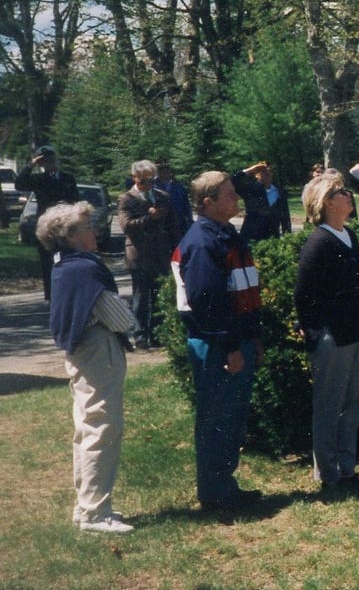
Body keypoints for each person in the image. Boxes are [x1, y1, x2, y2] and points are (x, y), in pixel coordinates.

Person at [41, 202, 138, 534]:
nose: (94, 233)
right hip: (98, 349)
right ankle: (96, 512)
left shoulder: (63, 265)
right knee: (101, 426)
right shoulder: (84, 268)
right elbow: (119, 316)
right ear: (69, 236)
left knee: (86, 426)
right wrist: (131, 323)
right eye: (86, 228)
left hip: (82, 351)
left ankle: (87, 505)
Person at [172, 171, 265, 510]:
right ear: (208, 202)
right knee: (217, 419)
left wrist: (253, 337)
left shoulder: (227, 235)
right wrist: (229, 347)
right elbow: (207, 302)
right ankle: (214, 491)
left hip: (238, 341)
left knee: (233, 417)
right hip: (216, 346)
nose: (236, 199)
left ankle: (225, 483)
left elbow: (243, 290)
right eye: (228, 195)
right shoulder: (202, 242)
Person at [294, 172, 359, 486]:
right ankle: (326, 471)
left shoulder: (349, 235)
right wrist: (315, 333)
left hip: (357, 332)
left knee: (353, 404)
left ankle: (346, 465)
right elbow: (304, 294)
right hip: (333, 337)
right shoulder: (319, 242)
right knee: (330, 405)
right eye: (341, 193)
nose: (348, 196)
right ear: (327, 202)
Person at [118, 160, 181, 348]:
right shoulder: (126, 199)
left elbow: (173, 226)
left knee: (159, 295)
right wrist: (148, 218)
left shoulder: (163, 196)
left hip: (161, 253)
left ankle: (158, 335)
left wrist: (177, 248)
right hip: (139, 254)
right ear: (134, 179)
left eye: (151, 180)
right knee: (141, 297)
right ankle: (139, 336)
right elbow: (126, 225)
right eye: (143, 181)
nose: (147, 185)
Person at [17, 144, 79, 301]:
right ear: (41, 164)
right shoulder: (38, 180)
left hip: (66, 225)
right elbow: (20, 184)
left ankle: (68, 293)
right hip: (46, 227)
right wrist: (31, 164)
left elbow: (76, 201)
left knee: (68, 259)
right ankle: (52, 296)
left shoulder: (68, 179)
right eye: (46, 161)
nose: (50, 163)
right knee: (47, 262)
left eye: (52, 159)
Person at [232, 162, 292, 242]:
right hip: (252, 236)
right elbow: (233, 181)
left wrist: (287, 237)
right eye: (263, 171)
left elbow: (285, 216)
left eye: (269, 171)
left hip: (272, 237)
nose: (267, 174)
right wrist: (249, 170)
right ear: (256, 175)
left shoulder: (279, 191)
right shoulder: (250, 189)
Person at [156, 160, 194, 235]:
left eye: (167, 168)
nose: (164, 170)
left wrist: (190, 224)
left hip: (179, 226)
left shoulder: (179, 187)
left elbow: (187, 208)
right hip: (161, 228)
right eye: (161, 169)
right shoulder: (152, 187)